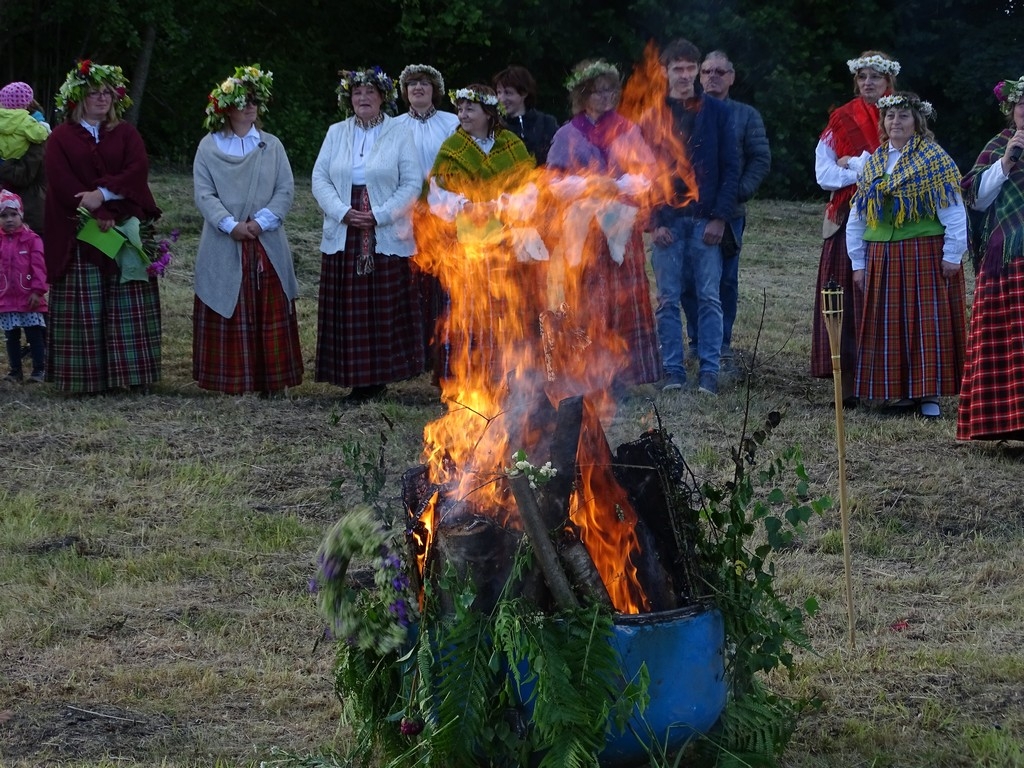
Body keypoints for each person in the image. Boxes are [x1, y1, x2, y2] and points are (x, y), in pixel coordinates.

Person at [44, 61, 162, 394]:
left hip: (123, 226)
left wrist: (105, 198)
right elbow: (61, 180)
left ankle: (132, 374)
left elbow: (136, 170)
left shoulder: (125, 133)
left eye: (107, 93)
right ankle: (84, 378)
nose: (102, 99)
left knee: (126, 296)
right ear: (78, 98)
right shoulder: (61, 137)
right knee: (88, 300)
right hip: (78, 231)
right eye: (94, 93)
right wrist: (93, 209)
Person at [846, 92, 967, 419]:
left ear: (917, 122)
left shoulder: (933, 158)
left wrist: (953, 254)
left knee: (923, 323)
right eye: (890, 116)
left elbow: (953, 210)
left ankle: (927, 394)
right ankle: (897, 392)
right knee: (888, 323)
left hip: (922, 252)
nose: (895, 122)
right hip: (881, 254)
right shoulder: (874, 161)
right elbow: (858, 215)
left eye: (903, 116)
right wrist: (858, 261)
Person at [546, 59, 662, 392]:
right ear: (583, 95)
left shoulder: (628, 129)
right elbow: (554, 183)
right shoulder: (567, 134)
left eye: (610, 90)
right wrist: (588, 186)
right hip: (582, 231)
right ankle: (584, 373)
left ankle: (621, 377)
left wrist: (618, 186)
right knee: (584, 300)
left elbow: (647, 176)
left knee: (624, 299)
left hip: (620, 229)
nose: (605, 97)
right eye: (597, 91)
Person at [312, 66, 423, 401]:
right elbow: (320, 178)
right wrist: (343, 211)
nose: (363, 98)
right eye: (357, 93)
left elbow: (411, 183)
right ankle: (354, 377)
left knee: (382, 307)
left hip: (384, 229)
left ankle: (379, 377)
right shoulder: (336, 132)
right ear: (349, 98)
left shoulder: (399, 133)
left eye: (370, 93)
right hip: (345, 227)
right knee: (348, 307)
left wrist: (380, 215)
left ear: (382, 97)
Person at [192, 64, 303, 396]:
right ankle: (231, 381)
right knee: (230, 305)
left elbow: (285, 189)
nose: (249, 106)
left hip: (265, 240)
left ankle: (273, 382)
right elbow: (204, 193)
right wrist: (231, 225)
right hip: (225, 240)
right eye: (242, 101)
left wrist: (260, 222)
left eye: (254, 101)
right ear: (226, 108)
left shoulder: (272, 146)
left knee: (269, 310)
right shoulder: (209, 148)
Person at [641, 38, 739, 395]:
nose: (684, 76)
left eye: (689, 69)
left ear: (698, 70)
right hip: (667, 218)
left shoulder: (717, 112)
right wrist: (654, 220)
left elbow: (731, 167)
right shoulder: (653, 115)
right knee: (667, 298)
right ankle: (673, 371)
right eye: (677, 69)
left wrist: (720, 218)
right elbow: (643, 171)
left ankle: (709, 371)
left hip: (704, 218)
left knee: (709, 297)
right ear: (664, 71)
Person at [427, 83, 541, 384]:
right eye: (460, 108)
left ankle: (509, 376)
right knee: (469, 310)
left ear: (488, 113)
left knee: (506, 307)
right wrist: (464, 206)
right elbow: (436, 196)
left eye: (470, 108)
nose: (462, 114)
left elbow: (529, 190)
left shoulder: (510, 145)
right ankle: (468, 378)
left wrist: (503, 205)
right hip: (466, 243)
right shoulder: (452, 148)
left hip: (506, 240)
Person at [812, 51, 898, 408]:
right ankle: (845, 388)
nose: (868, 83)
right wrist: (859, 171)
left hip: (892, 221)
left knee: (884, 301)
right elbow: (824, 174)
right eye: (862, 77)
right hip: (845, 217)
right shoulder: (841, 118)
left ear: (888, 81)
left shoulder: (901, 117)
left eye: (875, 77)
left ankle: (885, 386)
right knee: (844, 299)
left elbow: (904, 166)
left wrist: (858, 164)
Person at [681, 50, 770, 373]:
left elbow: (759, 158)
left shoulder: (746, 116)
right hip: (689, 211)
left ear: (732, 77)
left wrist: (736, 193)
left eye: (720, 71)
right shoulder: (685, 113)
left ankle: (722, 346)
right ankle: (695, 342)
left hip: (729, 213)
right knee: (689, 281)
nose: (712, 77)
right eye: (706, 71)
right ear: (698, 76)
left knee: (724, 281)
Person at [957, 76, 1024, 440]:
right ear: (1012, 110)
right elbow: (977, 199)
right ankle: (1007, 421)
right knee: (1007, 345)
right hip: (1006, 257)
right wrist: (1005, 163)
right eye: (1022, 105)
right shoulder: (1001, 144)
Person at [393, 64, 459, 373]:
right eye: (412, 84)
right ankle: (411, 355)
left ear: (435, 90)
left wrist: (436, 202)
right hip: (405, 216)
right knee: (409, 283)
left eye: (425, 83)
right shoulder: (392, 127)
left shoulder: (452, 123)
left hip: (444, 214)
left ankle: (440, 353)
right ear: (405, 91)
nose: (418, 88)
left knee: (442, 284)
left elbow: (457, 168)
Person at [0, 190, 47, 384]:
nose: (9, 219)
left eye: (13, 214)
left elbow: (39, 266)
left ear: (21, 215)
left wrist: (37, 291)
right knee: (11, 337)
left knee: (34, 334)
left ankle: (39, 369)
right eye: (3, 215)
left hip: (29, 297)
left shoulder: (32, 239)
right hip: (6, 298)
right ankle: (15, 371)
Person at [0, 81, 49, 232]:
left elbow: (21, 176)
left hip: (26, 214)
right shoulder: (36, 132)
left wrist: (2, 163)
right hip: (27, 211)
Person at [492, 65, 559, 165]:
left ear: (524, 93)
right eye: (499, 92)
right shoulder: (495, 127)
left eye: (508, 93)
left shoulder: (547, 123)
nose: (501, 98)